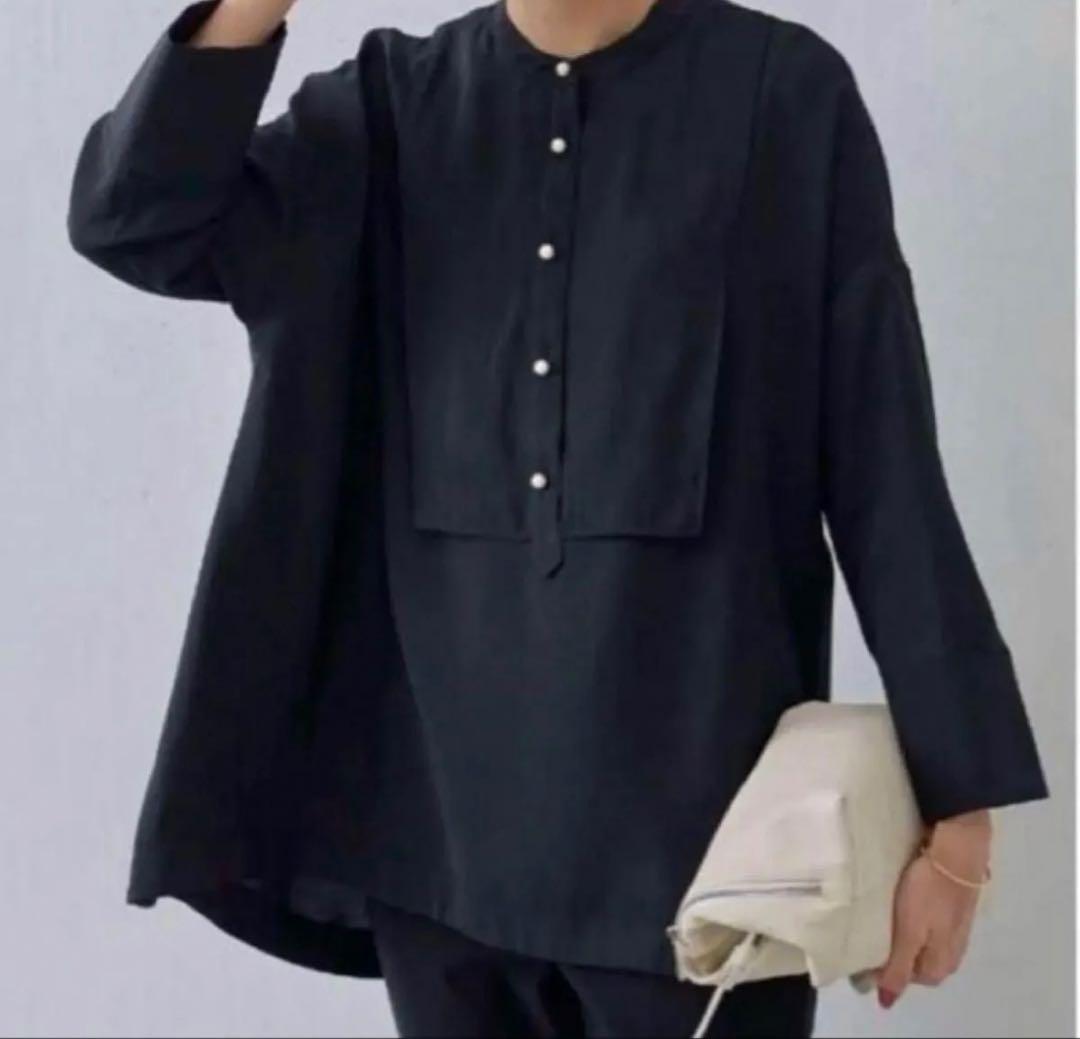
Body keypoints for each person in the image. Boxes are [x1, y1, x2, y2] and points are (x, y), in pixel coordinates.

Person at [66, 0, 1050, 1035]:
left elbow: (884, 462)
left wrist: (959, 816)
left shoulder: (782, 96)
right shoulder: (390, 107)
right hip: (438, 859)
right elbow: (137, 218)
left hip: (708, 868)